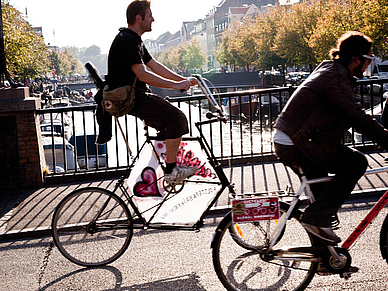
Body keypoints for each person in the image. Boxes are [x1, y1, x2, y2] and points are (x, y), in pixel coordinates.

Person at [273, 31, 388, 244]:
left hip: (294, 138)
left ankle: (325, 257)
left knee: (321, 200)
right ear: (357, 59)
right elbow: (356, 116)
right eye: (369, 60)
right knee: (356, 162)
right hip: (298, 142)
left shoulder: (332, 70)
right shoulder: (335, 78)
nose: (368, 65)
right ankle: (316, 219)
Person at [107, 0, 198, 184]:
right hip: (132, 98)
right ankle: (171, 172)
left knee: (167, 124)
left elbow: (154, 65)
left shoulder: (134, 40)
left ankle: (156, 170)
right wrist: (175, 85)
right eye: (150, 16)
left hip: (135, 96)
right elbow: (143, 75)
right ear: (138, 18)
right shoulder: (127, 41)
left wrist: (181, 80)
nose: (153, 19)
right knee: (177, 119)